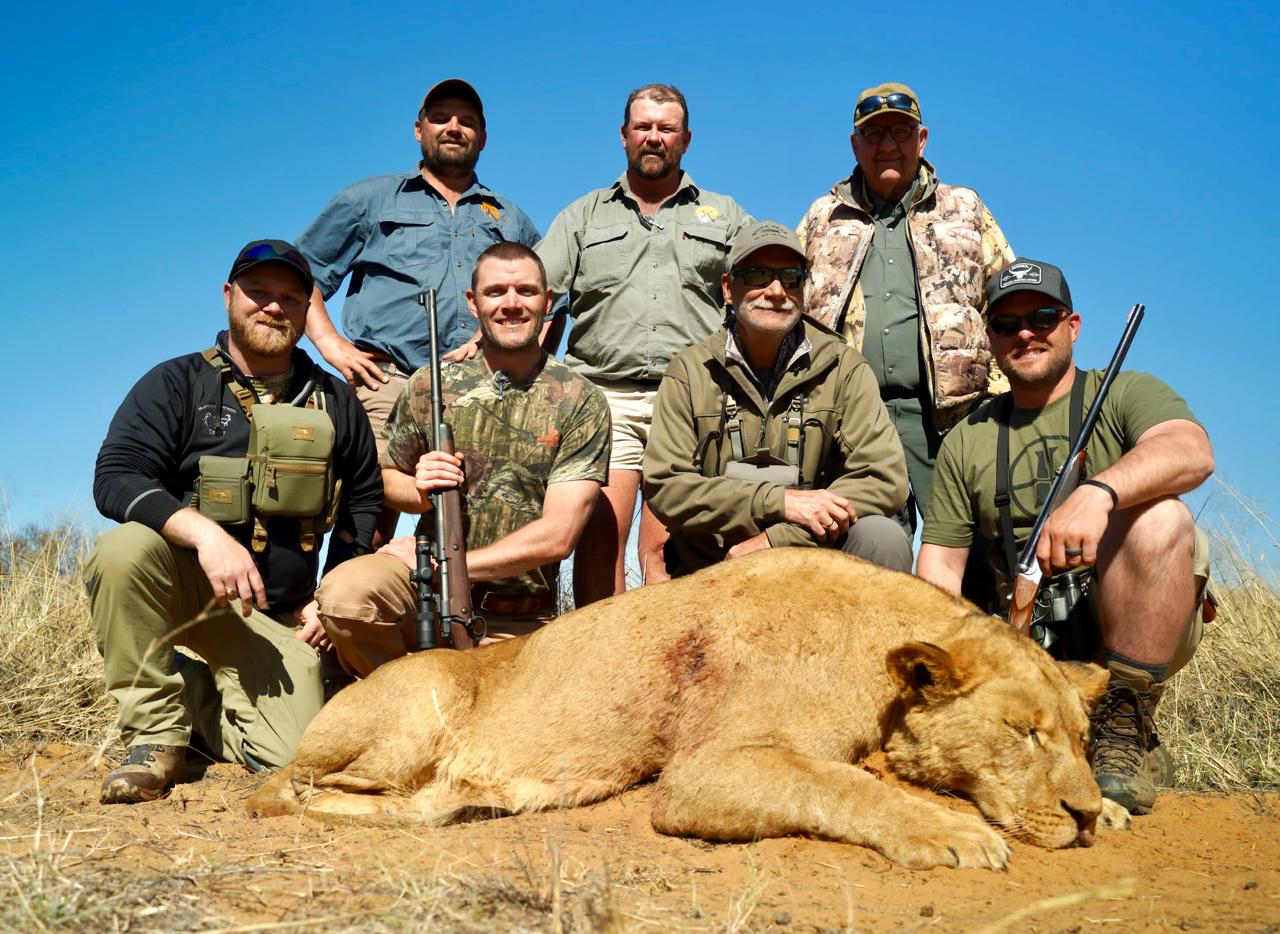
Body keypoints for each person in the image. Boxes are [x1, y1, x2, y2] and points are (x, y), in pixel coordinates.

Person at [86, 240, 383, 804]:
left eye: (289, 298)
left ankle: (189, 692)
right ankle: (153, 736)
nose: (273, 307)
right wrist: (205, 535)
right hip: (188, 590)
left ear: (307, 309)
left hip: (274, 614)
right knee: (121, 550)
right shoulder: (175, 382)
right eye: (258, 293)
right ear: (228, 296)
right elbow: (116, 476)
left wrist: (329, 596)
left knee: (294, 757)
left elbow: (364, 499)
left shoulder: (336, 401)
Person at [917, 258, 1214, 814]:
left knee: (1164, 519)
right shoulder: (967, 437)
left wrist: (1099, 493)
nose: (1026, 333)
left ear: (1072, 326)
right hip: (1024, 637)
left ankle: (1122, 725)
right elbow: (939, 566)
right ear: (991, 338)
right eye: (1007, 323)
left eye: (1042, 317)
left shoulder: (1125, 392)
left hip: (1130, 618)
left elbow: (1192, 452)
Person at [314, 243, 610, 676]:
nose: (511, 304)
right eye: (496, 292)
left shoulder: (582, 399)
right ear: (474, 303)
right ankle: (401, 696)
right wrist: (418, 488)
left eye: (526, 291)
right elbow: (388, 477)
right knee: (346, 595)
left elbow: (558, 536)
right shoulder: (428, 384)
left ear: (547, 301)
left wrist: (447, 567)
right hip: (425, 598)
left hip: (521, 618)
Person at [536, 83, 751, 602]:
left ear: (686, 139)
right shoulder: (584, 215)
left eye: (666, 128)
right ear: (624, 135)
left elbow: (765, 291)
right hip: (603, 396)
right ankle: (601, 646)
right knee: (600, 537)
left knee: (669, 548)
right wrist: (478, 343)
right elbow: (532, 288)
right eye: (643, 127)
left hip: (693, 395)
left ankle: (669, 647)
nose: (654, 137)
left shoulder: (725, 214)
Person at [296, 79, 541, 483]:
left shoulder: (510, 218)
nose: (453, 128)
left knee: (471, 507)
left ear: (482, 138)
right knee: (370, 501)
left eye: (467, 122)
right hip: (385, 383)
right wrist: (331, 345)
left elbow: (551, 304)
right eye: (440, 118)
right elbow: (300, 276)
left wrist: (521, 371)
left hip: (477, 390)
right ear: (418, 129)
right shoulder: (368, 199)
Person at [798, 82, 1015, 536]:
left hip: (952, 421)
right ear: (855, 145)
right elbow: (789, 314)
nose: (887, 145)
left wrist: (999, 397)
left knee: (971, 549)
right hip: (854, 424)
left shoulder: (966, 208)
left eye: (900, 132)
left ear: (922, 139)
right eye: (874, 134)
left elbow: (1009, 302)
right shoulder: (821, 217)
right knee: (871, 551)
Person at [643, 221, 912, 576]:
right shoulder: (689, 371)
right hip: (712, 568)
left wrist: (778, 538)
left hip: (812, 558)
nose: (775, 291)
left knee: (883, 537)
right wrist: (779, 502)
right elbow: (667, 486)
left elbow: (882, 478)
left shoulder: (844, 367)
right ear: (728, 288)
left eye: (791, 278)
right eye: (757, 275)